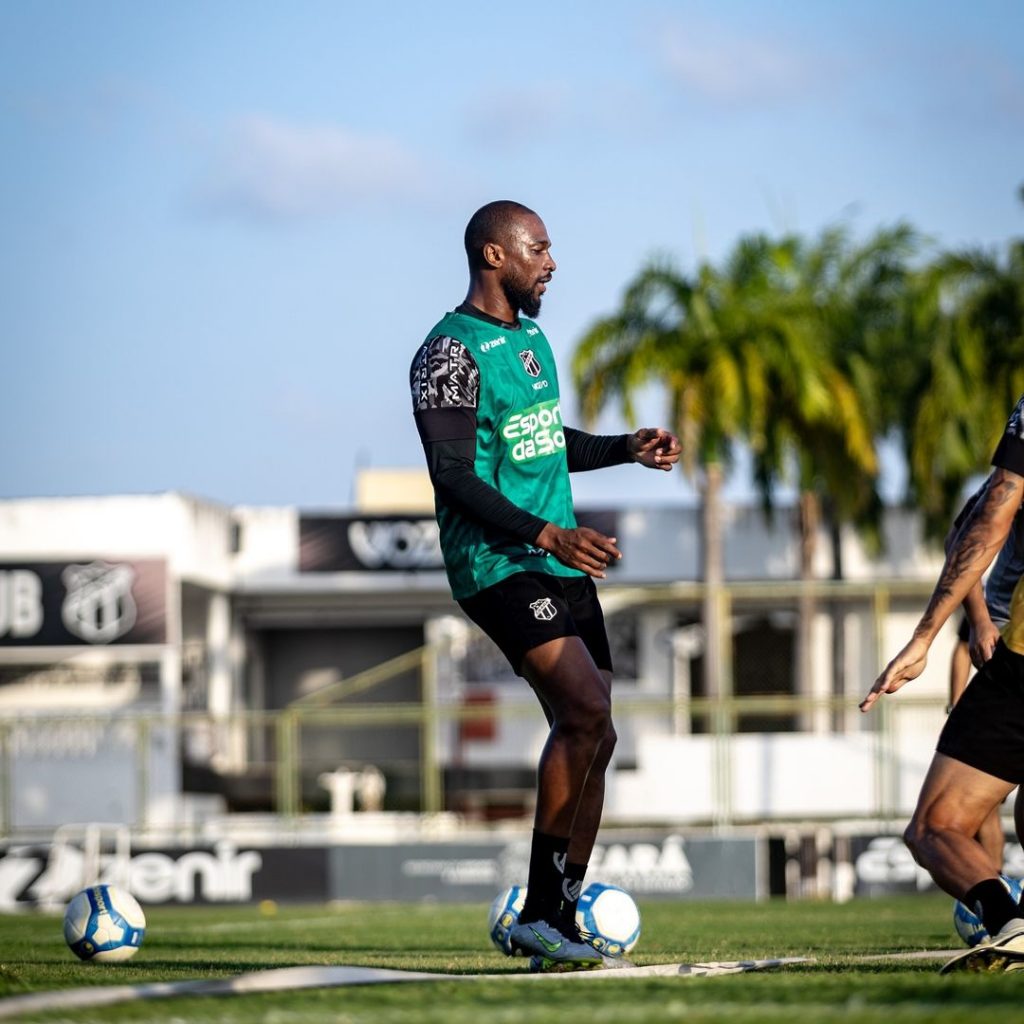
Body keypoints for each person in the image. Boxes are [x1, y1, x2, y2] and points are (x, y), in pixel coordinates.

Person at [409, 200, 680, 971]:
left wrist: (626, 447)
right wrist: (545, 533)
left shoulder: (529, 339)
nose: (552, 262)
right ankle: (537, 913)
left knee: (599, 733)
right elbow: (452, 472)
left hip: (560, 561)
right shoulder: (446, 354)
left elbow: (542, 440)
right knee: (585, 708)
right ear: (494, 255)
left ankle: (557, 918)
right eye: (539, 248)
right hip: (498, 564)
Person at [861, 394, 1024, 972]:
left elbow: (988, 518)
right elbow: (973, 525)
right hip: (1001, 649)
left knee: (935, 826)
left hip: (1019, 662)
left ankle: (1009, 921)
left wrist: (925, 637)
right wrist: (978, 621)